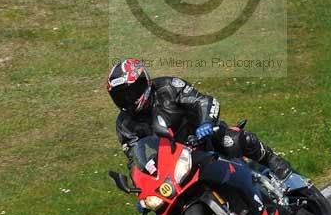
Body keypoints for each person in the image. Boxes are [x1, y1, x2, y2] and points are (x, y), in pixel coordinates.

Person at [107, 58, 291, 180]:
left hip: (204, 138)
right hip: (176, 163)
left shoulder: (168, 87)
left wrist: (205, 123)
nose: (127, 100)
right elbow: (134, 157)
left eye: (130, 93)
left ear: (143, 81)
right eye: (121, 97)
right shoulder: (125, 124)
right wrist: (141, 178)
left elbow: (204, 101)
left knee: (231, 141)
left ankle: (273, 161)